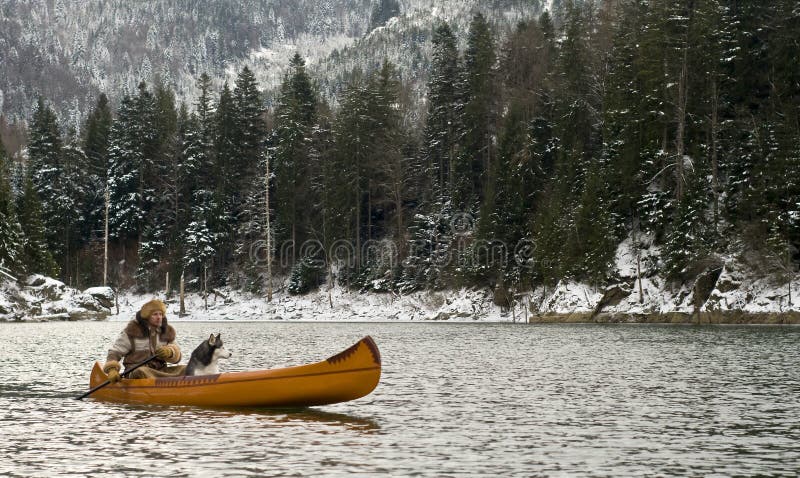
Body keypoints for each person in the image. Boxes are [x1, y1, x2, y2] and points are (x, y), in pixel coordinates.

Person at [102, 299, 184, 381]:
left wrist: (170, 352)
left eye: (161, 314)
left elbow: (178, 357)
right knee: (141, 371)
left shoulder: (166, 332)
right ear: (147, 316)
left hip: (160, 371)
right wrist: (112, 370)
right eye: (155, 314)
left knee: (187, 368)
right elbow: (115, 352)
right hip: (135, 371)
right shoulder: (131, 331)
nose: (159, 317)